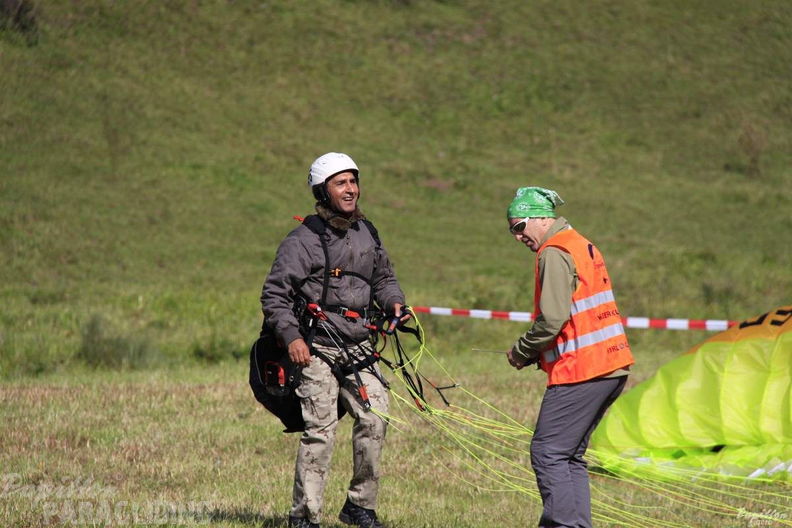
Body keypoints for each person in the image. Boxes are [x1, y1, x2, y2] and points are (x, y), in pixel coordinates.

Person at [261, 152, 407, 528]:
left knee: (375, 418)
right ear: (322, 191)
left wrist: (394, 303)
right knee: (320, 433)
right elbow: (275, 295)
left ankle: (359, 505)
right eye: (341, 183)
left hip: (359, 347)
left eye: (353, 181)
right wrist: (292, 337)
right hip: (317, 349)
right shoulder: (302, 240)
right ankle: (304, 517)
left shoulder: (367, 232)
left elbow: (384, 279)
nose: (350, 189)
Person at [504, 187, 634, 528]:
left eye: (519, 227)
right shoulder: (580, 243)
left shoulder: (554, 251)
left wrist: (521, 351)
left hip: (584, 370)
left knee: (548, 452)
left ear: (541, 219)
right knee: (569, 456)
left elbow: (552, 319)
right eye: (512, 230)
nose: (517, 237)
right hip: (612, 366)